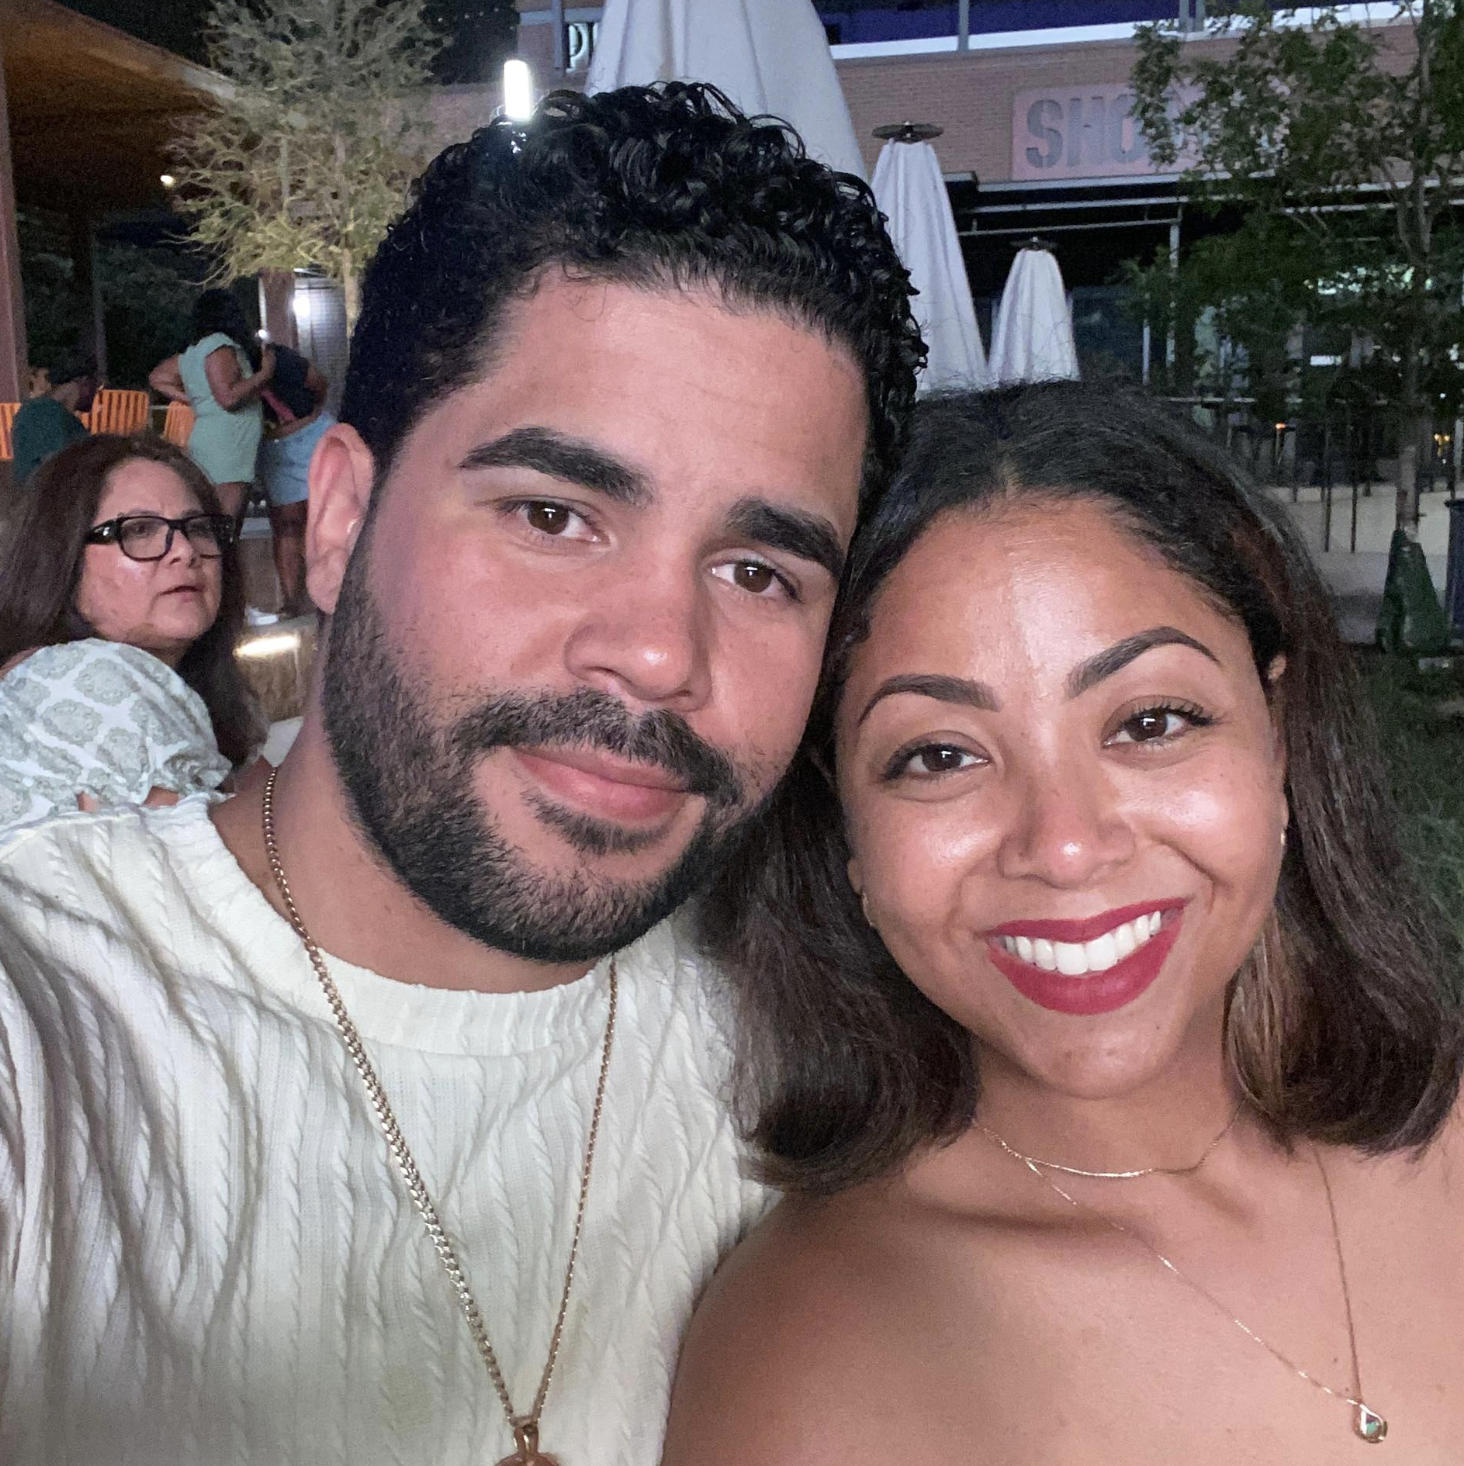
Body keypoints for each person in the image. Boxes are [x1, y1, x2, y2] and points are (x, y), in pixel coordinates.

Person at [0, 83, 923, 1466]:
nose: (661, 652)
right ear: (344, 522)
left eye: (757, 569)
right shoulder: (48, 1028)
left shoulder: (834, 1053)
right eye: (553, 513)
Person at [666, 384, 1464, 1464]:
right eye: (938, 754)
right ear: (846, 823)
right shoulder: (815, 1359)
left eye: (1148, 720)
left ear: (1276, 737)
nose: (1065, 843)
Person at [0, 434, 261, 829]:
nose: (185, 550)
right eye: (139, 530)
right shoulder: (78, 677)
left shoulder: (196, 691)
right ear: (63, 558)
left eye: (199, 528)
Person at [150, 288, 275, 520]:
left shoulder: (193, 352)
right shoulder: (219, 346)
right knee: (223, 526)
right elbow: (228, 397)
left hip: (215, 441)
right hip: (227, 447)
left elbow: (158, 378)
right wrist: (264, 374)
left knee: (215, 522)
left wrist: (198, 400)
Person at [258, 342, 334, 616]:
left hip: (312, 434)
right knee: (287, 526)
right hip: (276, 447)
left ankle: (332, 593)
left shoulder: (279, 358)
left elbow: (318, 383)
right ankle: (292, 601)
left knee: (326, 517)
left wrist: (309, 417)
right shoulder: (232, 369)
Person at [9, 356, 98, 487]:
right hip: (46, 501)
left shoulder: (41, 411)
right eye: (95, 383)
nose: (96, 391)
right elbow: (55, 469)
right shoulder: (45, 413)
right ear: (84, 382)